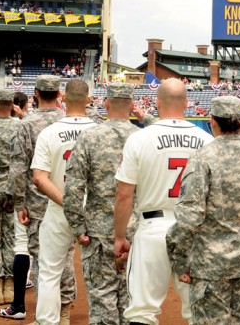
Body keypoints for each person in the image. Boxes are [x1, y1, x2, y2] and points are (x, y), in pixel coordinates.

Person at [166, 96, 240, 323]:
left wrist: (178, 259)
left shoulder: (202, 157)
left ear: (212, 122)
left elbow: (190, 216)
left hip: (210, 265)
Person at [114, 78, 213, 324]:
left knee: (142, 311)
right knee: (198, 310)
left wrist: (119, 237)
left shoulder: (139, 139)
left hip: (151, 228)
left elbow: (124, 195)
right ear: (187, 103)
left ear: (157, 103)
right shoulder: (206, 141)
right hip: (193, 232)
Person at [63, 83, 138, 324]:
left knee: (102, 297)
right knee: (132, 300)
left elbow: (73, 187)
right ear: (132, 106)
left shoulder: (89, 137)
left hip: (97, 231)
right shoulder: (142, 138)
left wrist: (78, 227)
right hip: (135, 230)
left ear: (105, 104)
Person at [10, 75, 78, 323]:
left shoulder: (26, 123)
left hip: (39, 201)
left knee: (43, 261)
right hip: (70, 197)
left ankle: (49, 315)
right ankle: (65, 310)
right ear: (59, 94)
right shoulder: (69, 120)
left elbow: (18, 168)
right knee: (67, 256)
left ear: (35, 94)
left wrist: (19, 204)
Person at [30, 79, 96, 325]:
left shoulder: (49, 132)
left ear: (63, 98)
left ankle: (48, 322)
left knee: (49, 272)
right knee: (103, 275)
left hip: (59, 208)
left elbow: (39, 178)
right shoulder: (100, 131)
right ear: (89, 100)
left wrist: (69, 204)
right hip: (95, 210)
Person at [0, 89, 19, 311]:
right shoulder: (19, 126)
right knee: (12, 238)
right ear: (11, 105)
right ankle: (11, 286)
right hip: (12, 187)